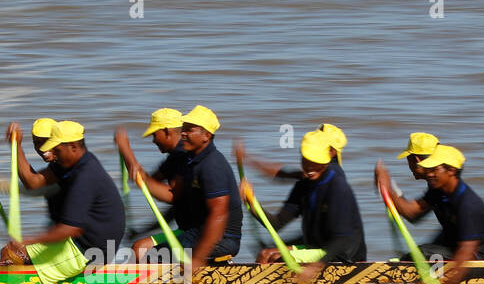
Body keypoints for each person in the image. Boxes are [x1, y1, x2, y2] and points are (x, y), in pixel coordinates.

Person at [1, 121, 125, 279]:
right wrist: (16, 145)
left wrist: (30, 240)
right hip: (84, 244)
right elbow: (33, 182)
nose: (52, 154)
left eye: (57, 150)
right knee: (21, 254)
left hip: (88, 252)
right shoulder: (75, 163)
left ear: (73, 146)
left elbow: (70, 229)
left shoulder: (85, 176)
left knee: (11, 252)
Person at [373, 144, 484, 284]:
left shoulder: (467, 204)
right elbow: (411, 213)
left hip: (482, 257)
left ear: (451, 171)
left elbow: (467, 250)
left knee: (421, 253)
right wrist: (387, 188)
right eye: (429, 169)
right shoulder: (439, 191)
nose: (430, 174)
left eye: (435, 170)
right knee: (418, 253)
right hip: (457, 244)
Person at [132, 105, 242, 270]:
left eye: (189, 130)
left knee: (153, 257)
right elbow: (177, 202)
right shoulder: (194, 162)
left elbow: (218, 215)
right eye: (183, 129)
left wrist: (196, 259)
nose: (183, 133)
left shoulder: (212, 165)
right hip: (199, 232)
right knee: (150, 254)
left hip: (223, 239)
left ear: (206, 135)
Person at [238, 129, 366, 266]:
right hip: (317, 246)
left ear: (330, 155)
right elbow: (277, 223)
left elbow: (342, 239)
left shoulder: (337, 185)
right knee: (265, 254)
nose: (309, 168)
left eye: (315, 161)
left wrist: (314, 267)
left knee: (276, 258)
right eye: (306, 161)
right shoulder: (304, 184)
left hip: (342, 254)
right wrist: (252, 203)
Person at [116, 108, 186, 200]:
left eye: (154, 135)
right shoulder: (174, 156)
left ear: (166, 131)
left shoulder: (183, 154)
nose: (154, 140)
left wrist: (125, 147)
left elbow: (172, 196)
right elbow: (149, 182)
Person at [239, 122, 348, 179]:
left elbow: (287, 174)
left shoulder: (333, 175)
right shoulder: (316, 171)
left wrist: (248, 159)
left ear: (332, 151)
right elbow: (284, 174)